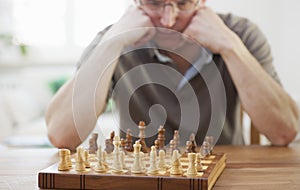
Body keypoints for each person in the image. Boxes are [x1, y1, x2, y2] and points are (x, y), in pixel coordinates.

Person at [45, 0, 299, 151]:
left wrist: (229, 46)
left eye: (183, 2)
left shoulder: (240, 34)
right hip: (139, 182)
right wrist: (112, 44)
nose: (168, 20)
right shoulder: (114, 38)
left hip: (224, 180)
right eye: (154, 2)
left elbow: (284, 132)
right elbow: (61, 135)